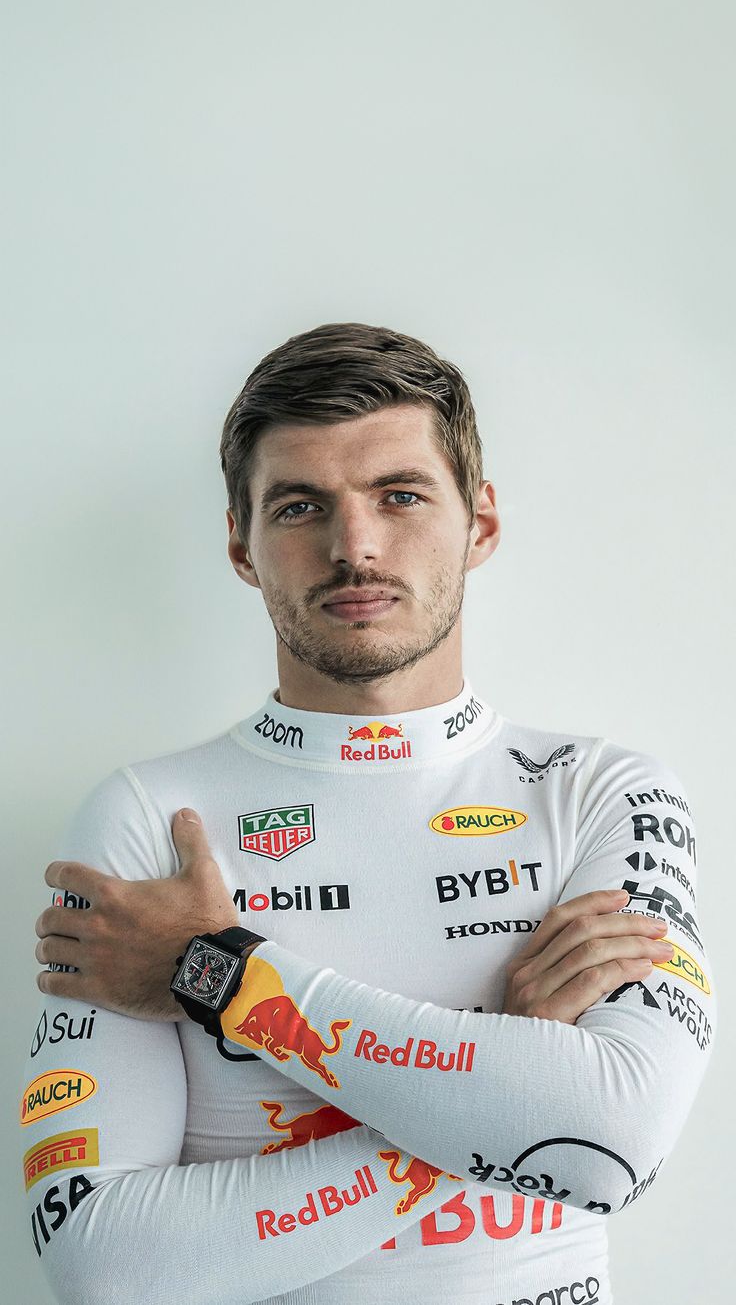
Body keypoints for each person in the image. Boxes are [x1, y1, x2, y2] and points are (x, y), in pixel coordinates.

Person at [21, 322, 714, 1305]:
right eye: (301, 505)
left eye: (400, 495)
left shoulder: (604, 791)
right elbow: (105, 1268)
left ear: (479, 524)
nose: (355, 546)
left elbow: (615, 1145)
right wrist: (494, 1088)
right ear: (240, 544)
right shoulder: (145, 820)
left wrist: (220, 974)